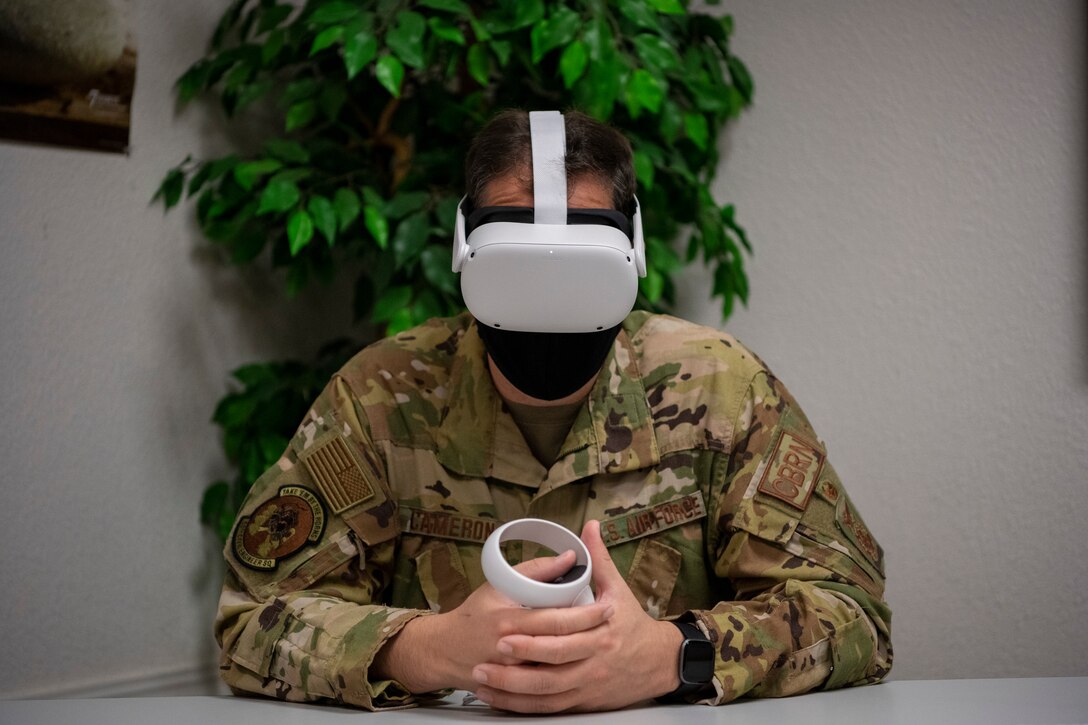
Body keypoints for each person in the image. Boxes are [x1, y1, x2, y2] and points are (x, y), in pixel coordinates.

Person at [214, 110, 892, 714]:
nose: (548, 300)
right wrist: (429, 648)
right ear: (467, 252)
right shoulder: (382, 397)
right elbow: (251, 620)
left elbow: (854, 612)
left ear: (630, 253)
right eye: (519, 269)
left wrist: (671, 655)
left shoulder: (719, 389)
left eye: (577, 271)